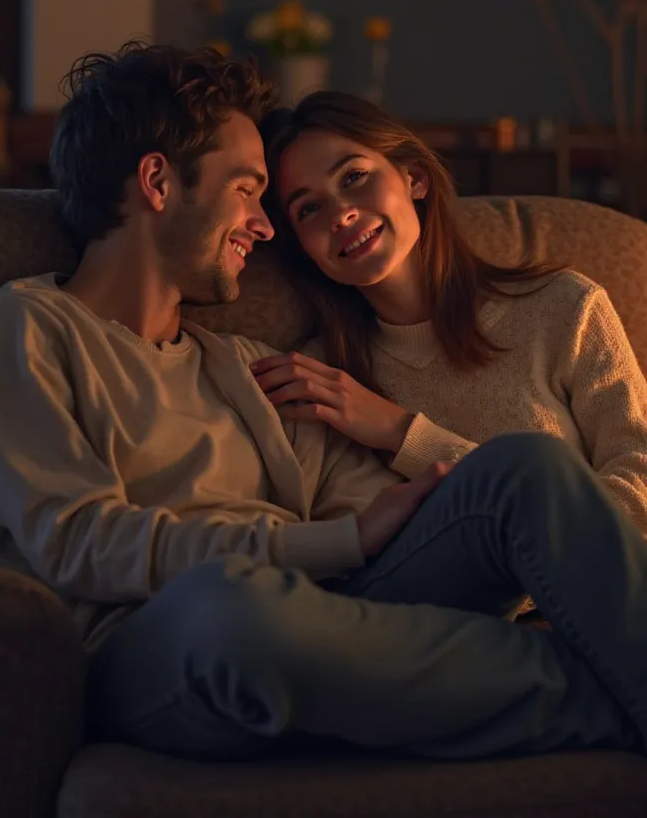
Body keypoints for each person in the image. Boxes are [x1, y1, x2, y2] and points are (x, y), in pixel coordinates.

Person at [0, 45, 646, 765]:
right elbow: (79, 541)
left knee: (521, 469)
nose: (263, 226)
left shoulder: (252, 367)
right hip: (159, 639)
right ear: (158, 181)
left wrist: (403, 494)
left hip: (322, 609)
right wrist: (336, 543)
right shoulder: (22, 329)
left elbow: (390, 516)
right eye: (249, 191)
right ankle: (611, 689)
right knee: (238, 609)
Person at [257, 92, 647, 540]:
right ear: (303, 248)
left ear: (415, 179)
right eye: (308, 208)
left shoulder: (565, 308)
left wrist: (404, 434)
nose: (341, 214)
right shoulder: (320, 381)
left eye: (354, 177)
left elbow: (640, 498)